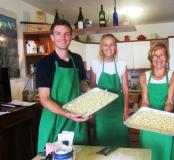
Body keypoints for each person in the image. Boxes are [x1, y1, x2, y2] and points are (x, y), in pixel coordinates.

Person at [36, 19, 91, 153]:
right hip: (55, 118)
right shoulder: (45, 63)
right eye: (58, 33)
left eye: (67, 34)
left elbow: (82, 83)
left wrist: (95, 96)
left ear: (71, 37)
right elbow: (44, 98)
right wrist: (67, 113)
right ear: (52, 37)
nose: (63, 38)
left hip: (75, 117)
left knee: (80, 154)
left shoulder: (77, 59)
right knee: (54, 155)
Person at [139, 43, 174, 160]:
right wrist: (144, 114)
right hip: (148, 122)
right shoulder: (143, 77)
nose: (158, 59)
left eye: (161, 55)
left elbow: (170, 102)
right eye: (155, 56)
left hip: (166, 121)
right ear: (150, 58)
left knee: (164, 154)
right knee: (148, 154)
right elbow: (145, 101)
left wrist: (160, 120)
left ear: (167, 57)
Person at [90, 34, 129, 147]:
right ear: (101, 47)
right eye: (105, 45)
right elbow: (92, 88)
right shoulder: (95, 63)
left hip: (118, 109)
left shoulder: (122, 64)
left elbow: (126, 90)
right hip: (101, 109)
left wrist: (125, 110)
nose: (108, 48)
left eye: (111, 44)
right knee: (103, 139)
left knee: (120, 140)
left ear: (115, 47)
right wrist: (92, 110)